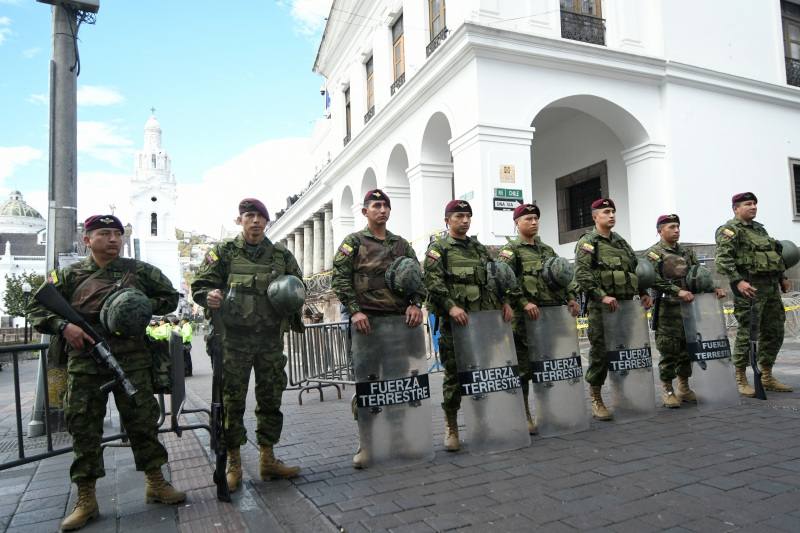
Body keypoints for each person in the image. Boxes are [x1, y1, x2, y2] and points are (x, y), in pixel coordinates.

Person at [28, 215, 185, 532]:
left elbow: (169, 298)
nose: (113, 239)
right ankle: (86, 499)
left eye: (117, 234)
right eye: (104, 234)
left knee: (142, 422)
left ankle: (156, 483)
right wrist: (64, 326)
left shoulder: (138, 271)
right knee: (84, 429)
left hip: (132, 360)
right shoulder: (69, 275)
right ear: (87, 240)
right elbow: (35, 307)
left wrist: (135, 305)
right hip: (86, 363)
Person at [191, 198, 303, 492]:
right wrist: (209, 296)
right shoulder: (224, 252)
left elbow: (297, 285)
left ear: (266, 222)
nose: (255, 221)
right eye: (249, 216)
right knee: (232, 402)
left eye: (260, 217)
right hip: (233, 343)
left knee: (271, 399)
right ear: (239, 220)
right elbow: (200, 285)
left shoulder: (280, 255)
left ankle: (268, 459)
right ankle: (234, 464)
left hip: (269, 341)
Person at [331, 189, 426, 468]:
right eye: (376, 206)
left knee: (397, 385)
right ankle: (367, 445)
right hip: (367, 326)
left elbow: (417, 278)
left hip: (398, 325)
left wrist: (416, 304)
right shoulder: (354, 242)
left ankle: (398, 440)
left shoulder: (401, 245)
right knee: (369, 384)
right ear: (365, 212)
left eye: (385, 206)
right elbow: (340, 278)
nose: (382, 210)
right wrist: (355, 310)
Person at [422, 200, 512, 451]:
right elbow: (433, 283)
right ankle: (451, 426)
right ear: (447, 220)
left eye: (468, 216)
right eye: (459, 216)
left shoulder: (478, 248)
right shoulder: (438, 249)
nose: (464, 220)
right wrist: (451, 306)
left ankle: (482, 422)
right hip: (454, 325)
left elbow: (492, 278)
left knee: (481, 373)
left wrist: (504, 302)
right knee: (454, 375)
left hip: (481, 322)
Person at [497, 203, 580, 433]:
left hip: (549, 318)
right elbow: (505, 281)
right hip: (524, 321)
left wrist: (571, 297)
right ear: (517, 223)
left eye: (535, 218)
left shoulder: (547, 250)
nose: (533, 222)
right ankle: (523, 414)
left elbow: (562, 278)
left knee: (548, 365)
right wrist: (524, 302)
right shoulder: (511, 252)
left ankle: (550, 410)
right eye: (528, 219)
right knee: (523, 369)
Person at [574, 198, 653, 421]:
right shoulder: (588, 242)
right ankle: (596, 398)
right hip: (602, 308)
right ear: (594, 216)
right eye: (606, 212)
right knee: (600, 352)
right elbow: (582, 273)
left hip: (626, 306)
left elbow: (635, 269)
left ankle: (624, 394)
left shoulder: (621, 243)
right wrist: (602, 296)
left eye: (613, 212)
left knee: (625, 351)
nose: (611, 215)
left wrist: (645, 292)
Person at [715, 192, 793, 395]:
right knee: (748, 332)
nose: (753, 207)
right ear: (736, 208)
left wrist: (782, 277)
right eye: (748, 204)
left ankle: (766, 375)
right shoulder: (729, 230)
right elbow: (723, 259)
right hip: (749, 289)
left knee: (774, 331)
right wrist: (738, 281)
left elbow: (774, 255)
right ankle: (740, 377)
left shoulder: (760, 230)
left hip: (771, 289)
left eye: (755, 203)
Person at [645, 214, 726, 408]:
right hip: (667, 309)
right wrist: (677, 291)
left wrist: (712, 288)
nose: (676, 230)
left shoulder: (686, 252)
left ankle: (684, 386)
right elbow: (653, 279)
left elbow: (699, 273)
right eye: (671, 227)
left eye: (678, 227)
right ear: (660, 230)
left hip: (689, 308)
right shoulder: (653, 253)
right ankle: (667, 389)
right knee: (669, 350)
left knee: (686, 350)